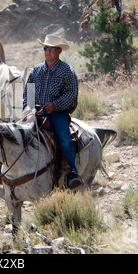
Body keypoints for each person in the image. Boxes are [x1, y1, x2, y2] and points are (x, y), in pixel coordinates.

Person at [22, 34, 83, 189]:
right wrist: (27, 106)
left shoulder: (67, 71)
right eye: (45, 48)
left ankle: (71, 173)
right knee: (18, 133)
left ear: (59, 51)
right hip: (36, 111)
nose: (48, 52)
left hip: (57, 113)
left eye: (52, 49)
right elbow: (28, 91)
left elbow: (71, 95)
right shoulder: (37, 70)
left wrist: (55, 105)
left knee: (64, 139)